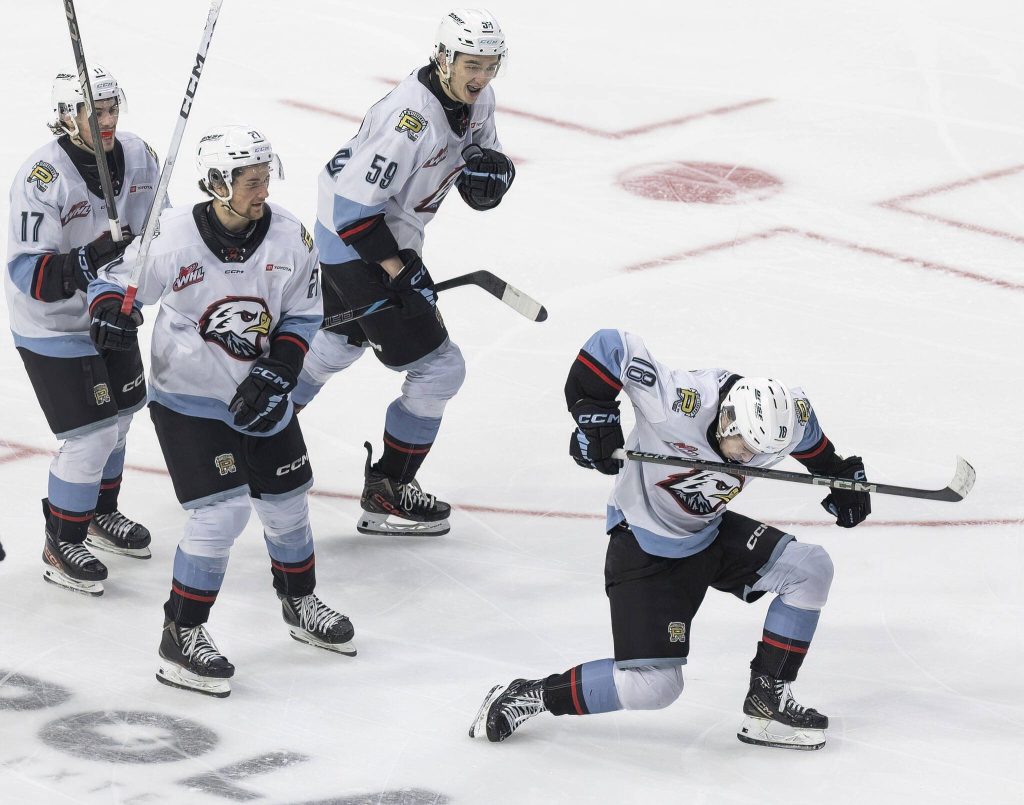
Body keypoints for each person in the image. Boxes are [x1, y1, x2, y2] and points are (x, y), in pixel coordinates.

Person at [470, 329, 872, 750]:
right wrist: (596, 415)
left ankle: (767, 699)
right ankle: (529, 695)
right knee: (655, 687)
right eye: (746, 448)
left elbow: (813, 444)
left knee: (811, 569)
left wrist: (839, 474)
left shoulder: (787, 419)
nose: (751, 461)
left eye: (761, 454)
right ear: (730, 417)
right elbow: (610, 346)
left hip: (709, 533)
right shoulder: (680, 400)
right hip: (644, 546)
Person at [88, 125, 355, 698]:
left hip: (262, 394)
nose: (263, 192)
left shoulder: (288, 237)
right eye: (250, 182)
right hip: (190, 399)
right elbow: (116, 281)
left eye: (265, 179)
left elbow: (305, 315)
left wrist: (279, 370)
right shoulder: (173, 236)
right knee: (222, 515)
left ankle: (299, 600)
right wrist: (111, 310)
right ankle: (181, 635)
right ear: (216, 183)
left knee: (287, 504)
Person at [293, 8, 516, 536]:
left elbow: (483, 158)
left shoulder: (475, 98)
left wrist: (495, 175)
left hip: (385, 237)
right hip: (358, 244)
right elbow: (353, 212)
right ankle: (390, 488)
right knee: (440, 370)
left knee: (337, 344)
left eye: (490, 65)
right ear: (443, 57)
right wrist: (399, 272)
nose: (480, 76)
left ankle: (255, 432)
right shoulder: (408, 121)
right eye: (471, 63)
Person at [5, 66, 159, 595]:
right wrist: (88, 264)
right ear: (67, 117)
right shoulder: (41, 178)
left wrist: (118, 287)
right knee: (89, 435)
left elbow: (150, 236)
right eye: (96, 112)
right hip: (52, 327)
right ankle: (61, 537)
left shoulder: (140, 157)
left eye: (113, 108)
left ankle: (98, 512)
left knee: (119, 420)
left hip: (111, 311)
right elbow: (30, 276)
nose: (108, 120)